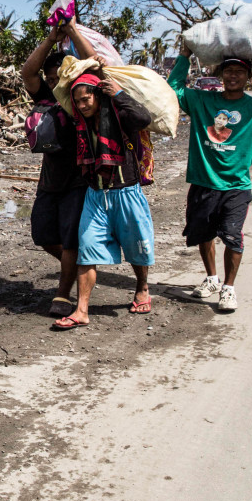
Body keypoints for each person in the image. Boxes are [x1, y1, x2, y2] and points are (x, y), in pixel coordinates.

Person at [170, 44, 252, 311]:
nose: (233, 76)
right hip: (203, 182)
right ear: (221, 75)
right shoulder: (202, 101)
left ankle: (228, 289)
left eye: (239, 72)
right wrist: (184, 56)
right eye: (228, 71)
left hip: (236, 186)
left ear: (248, 76)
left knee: (233, 237)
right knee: (204, 234)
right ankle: (211, 279)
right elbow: (174, 88)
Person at [53, 74, 155, 330]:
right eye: (78, 101)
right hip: (95, 195)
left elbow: (144, 119)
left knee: (137, 246)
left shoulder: (121, 117)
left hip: (126, 193)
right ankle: (81, 310)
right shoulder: (81, 124)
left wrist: (119, 93)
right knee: (87, 249)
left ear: (98, 95)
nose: (83, 105)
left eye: (86, 99)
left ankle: (142, 288)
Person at [20, 18, 98, 316]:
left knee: (69, 239)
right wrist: (51, 38)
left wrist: (73, 32)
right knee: (42, 234)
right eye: (50, 80)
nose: (54, 84)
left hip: (79, 179)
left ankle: (63, 294)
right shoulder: (45, 97)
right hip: (49, 180)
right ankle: (79, 268)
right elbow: (28, 72)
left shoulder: (81, 97)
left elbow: (92, 63)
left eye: (58, 79)